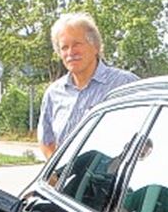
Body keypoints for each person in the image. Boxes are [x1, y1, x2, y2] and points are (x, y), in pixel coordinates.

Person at [38, 12, 138, 158]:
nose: (71, 52)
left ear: (95, 47)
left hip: (115, 178)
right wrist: (56, 176)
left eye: (77, 44)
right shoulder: (54, 93)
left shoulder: (125, 84)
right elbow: (46, 140)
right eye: (64, 47)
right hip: (69, 180)